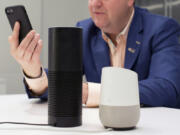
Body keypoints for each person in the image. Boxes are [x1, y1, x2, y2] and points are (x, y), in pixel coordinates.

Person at [8, 0, 180, 108]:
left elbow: (167, 88)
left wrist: (90, 92)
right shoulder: (85, 30)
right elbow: (62, 83)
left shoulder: (162, 29)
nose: (95, 3)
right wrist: (33, 71)